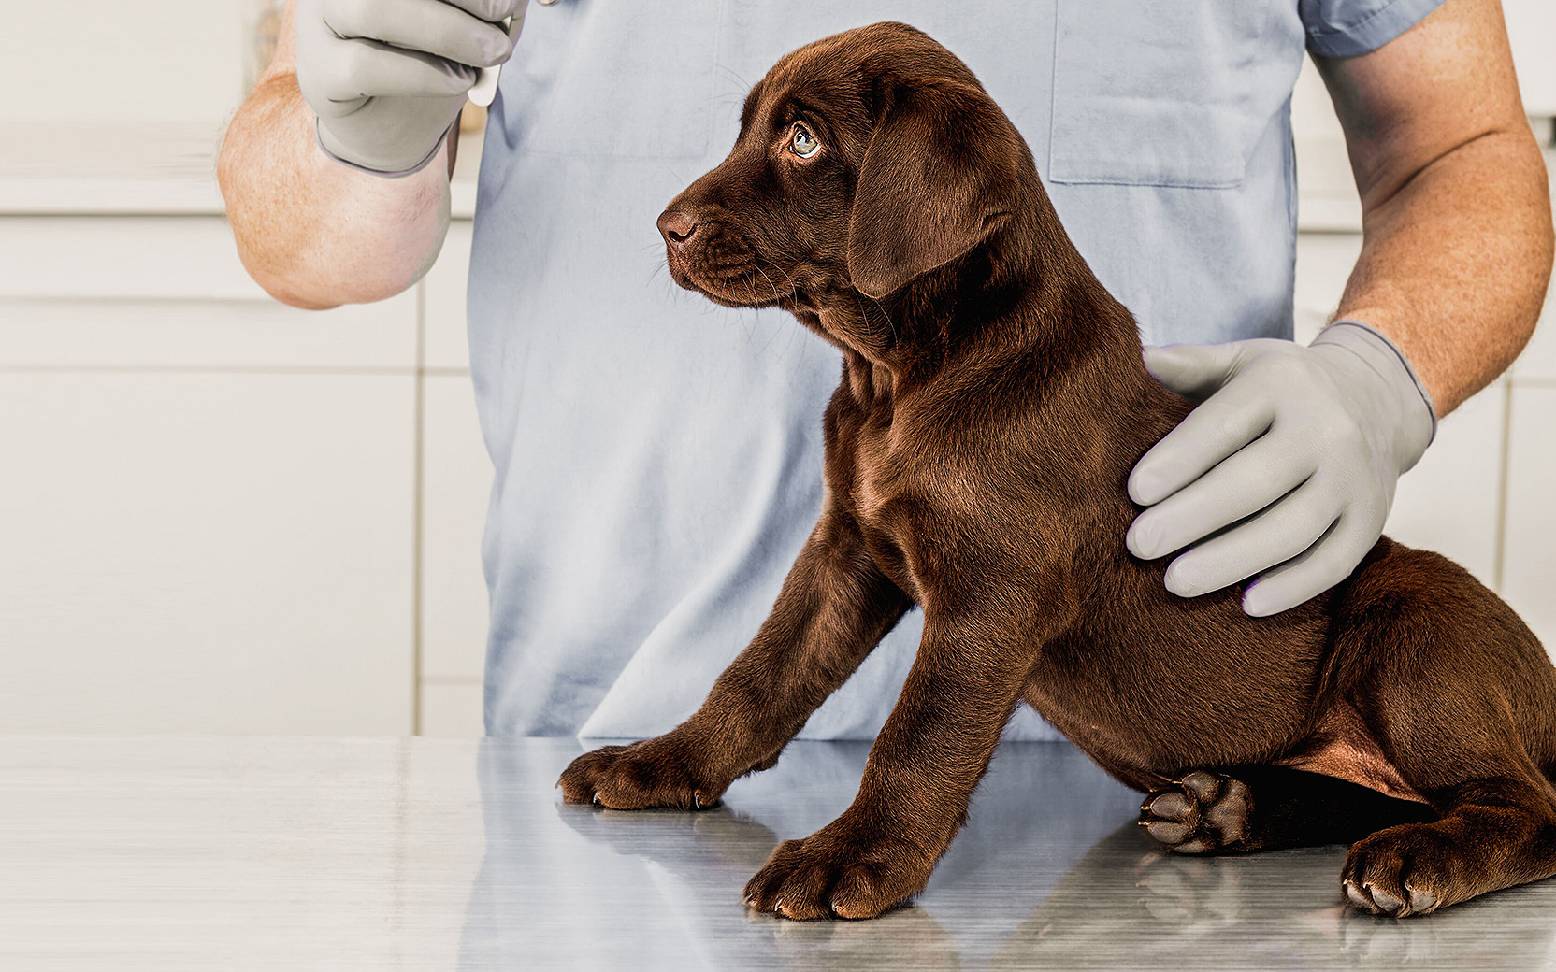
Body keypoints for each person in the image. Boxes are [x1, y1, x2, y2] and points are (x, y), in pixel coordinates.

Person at [220, 0, 1552, 739]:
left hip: (1169, 779)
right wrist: (358, 129)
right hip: (628, 739)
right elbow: (304, 243)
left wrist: (1382, 375)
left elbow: (1465, 150)